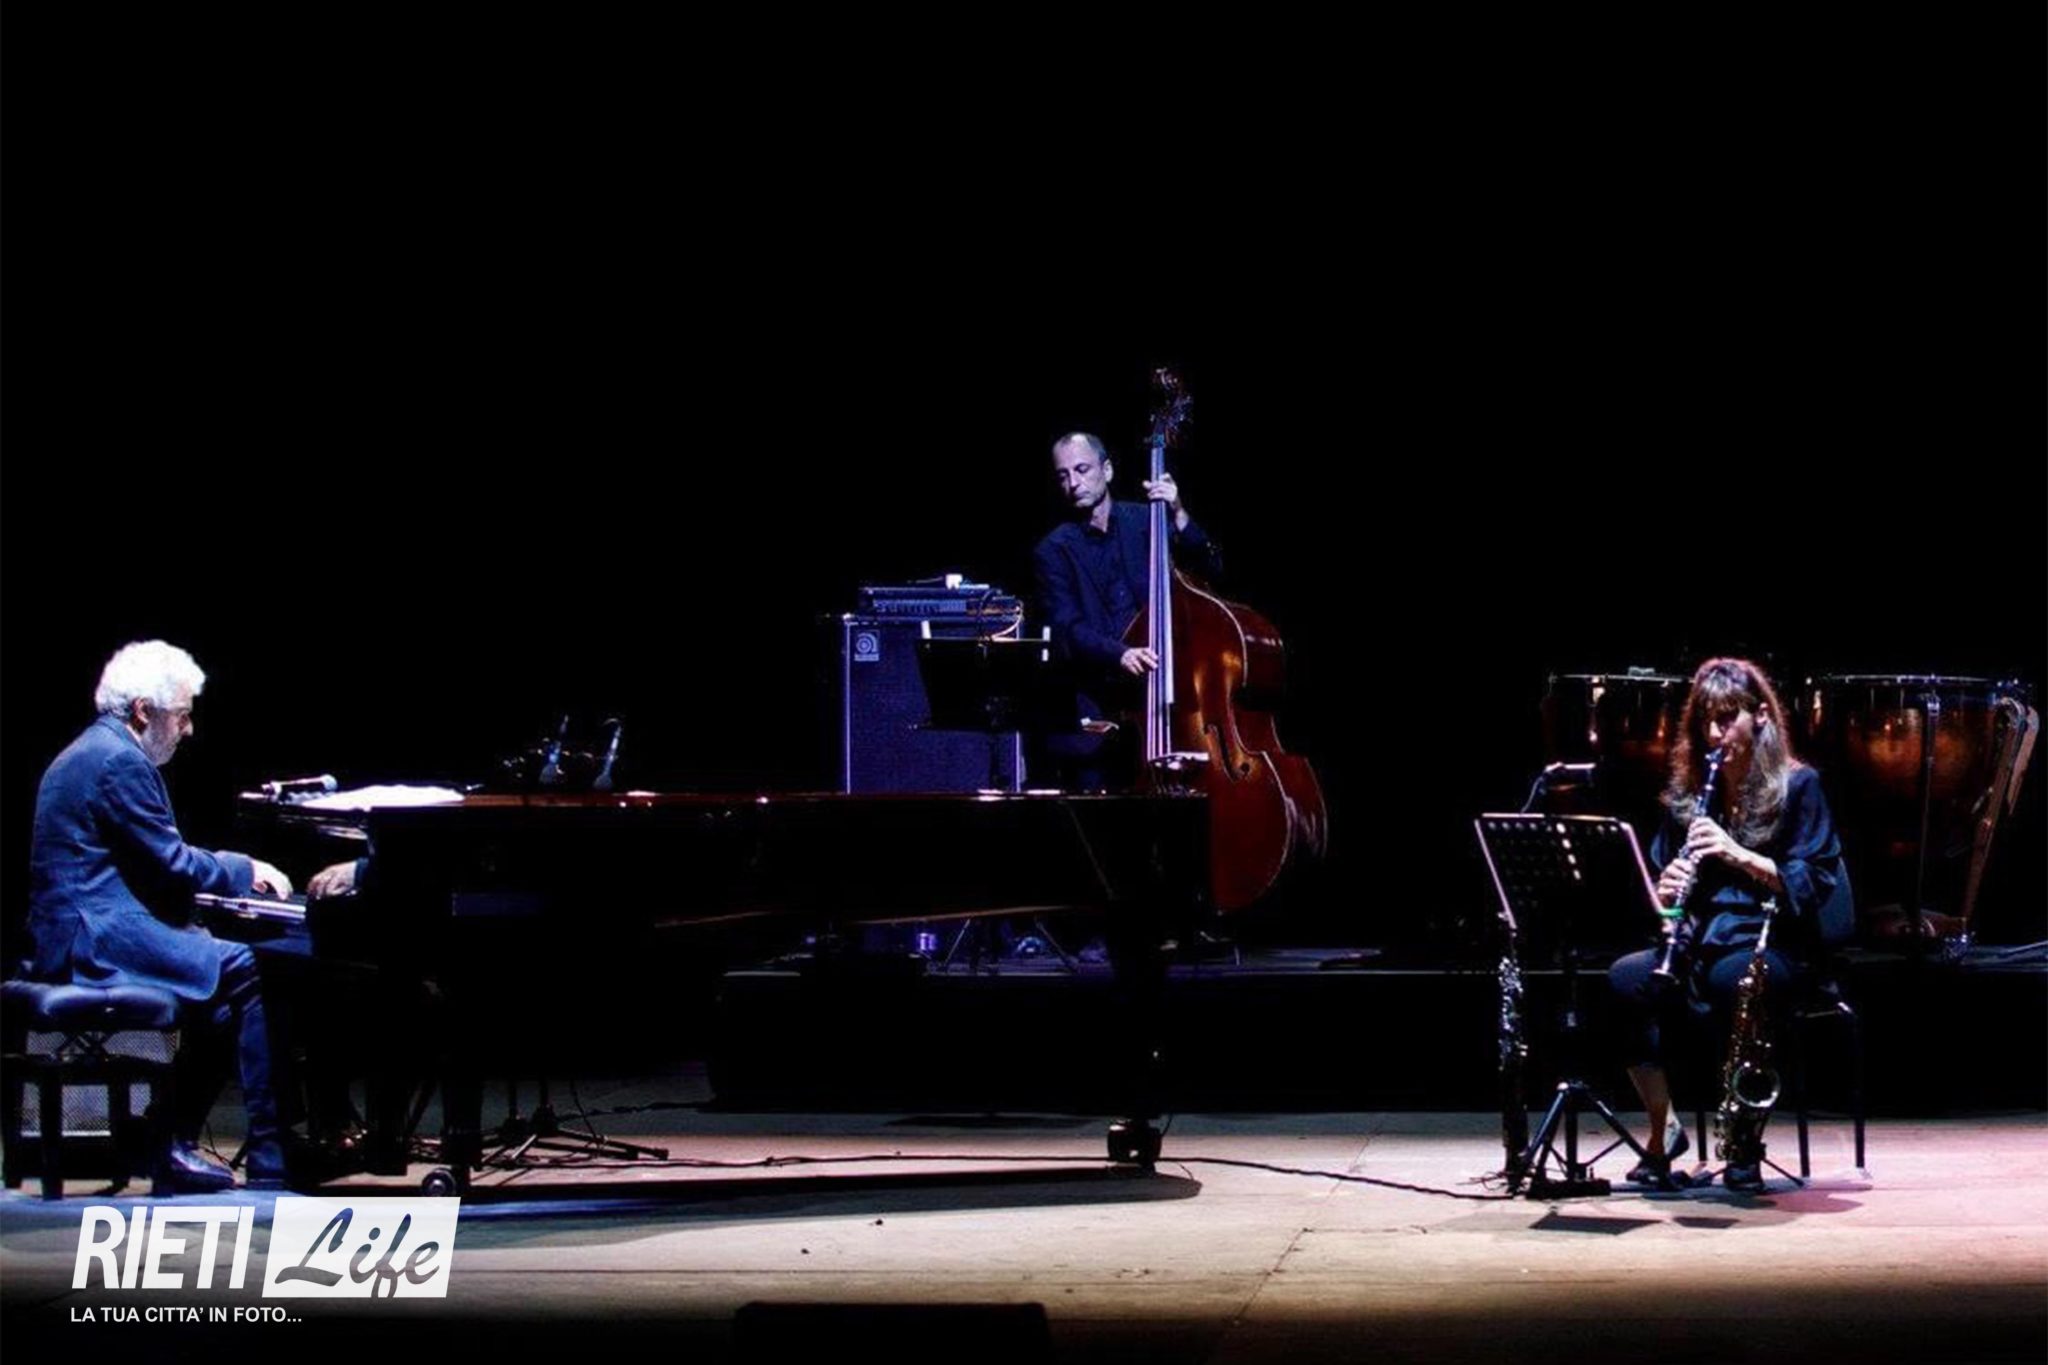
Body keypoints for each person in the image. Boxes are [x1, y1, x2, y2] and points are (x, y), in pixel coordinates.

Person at [27, 640, 296, 1192]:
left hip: (81, 926)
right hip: (93, 938)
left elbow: (138, 864)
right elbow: (171, 862)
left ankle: (166, 1139)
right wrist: (244, 869)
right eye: (182, 715)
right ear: (143, 711)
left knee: (218, 999)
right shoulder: (118, 761)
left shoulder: (91, 751)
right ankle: (270, 1152)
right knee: (250, 968)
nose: (188, 730)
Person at [1607, 657, 1854, 1192]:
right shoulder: (1690, 795)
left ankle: (1744, 1140)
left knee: (1736, 981)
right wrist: (1666, 894)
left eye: (1727, 719)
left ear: (1759, 715)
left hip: (1773, 936)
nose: (1716, 734)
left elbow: (1812, 881)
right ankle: (1664, 1130)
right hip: (1700, 936)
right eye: (1706, 721)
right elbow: (1665, 896)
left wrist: (1737, 854)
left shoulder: (1799, 786)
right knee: (1626, 980)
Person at [1030, 431, 1222, 790]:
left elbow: (1210, 571)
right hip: (1101, 708)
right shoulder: (1053, 550)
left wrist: (1180, 513)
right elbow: (1067, 626)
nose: (1073, 483)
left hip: (1171, 699)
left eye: (1082, 469)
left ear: (1107, 470)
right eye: (1063, 475)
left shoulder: (1148, 520)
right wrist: (1120, 654)